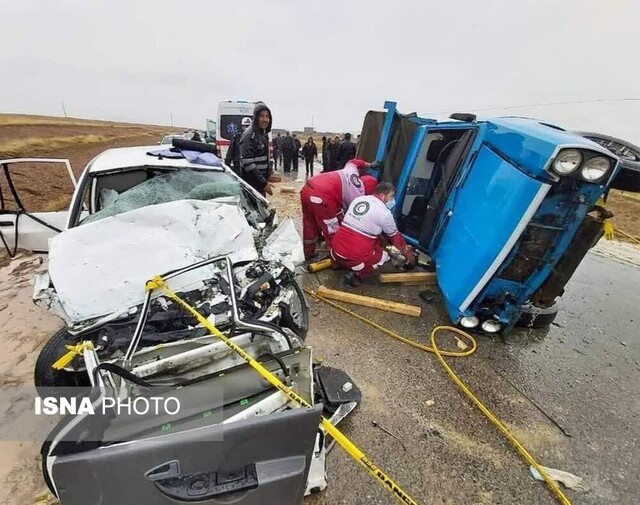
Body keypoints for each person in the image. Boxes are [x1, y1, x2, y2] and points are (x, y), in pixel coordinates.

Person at [331, 182, 416, 286]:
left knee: (372, 241)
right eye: (391, 196)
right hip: (353, 252)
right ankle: (358, 275)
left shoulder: (359, 199)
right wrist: (408, 254)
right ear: (382, 195)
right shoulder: (385, 213)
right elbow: (396, 238)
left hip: (336, 246)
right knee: (384, 256)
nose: (392, 201)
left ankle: (337, 263)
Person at [300, 157, 381, 259]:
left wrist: (370, 165)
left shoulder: (352, 171)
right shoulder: (358, 197)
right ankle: (337, 259)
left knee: (309, 222)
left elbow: (353, 162)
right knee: (332, 230)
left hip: (307, 188)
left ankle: (308, 253)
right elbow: (350, 219)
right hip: (321, 196)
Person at [239, 102, 274, 196]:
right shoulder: (250, 135)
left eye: (267, 116)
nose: (265, 119)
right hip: (251, 185)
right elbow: (248, 163)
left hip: (258, 184)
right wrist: (263, 183)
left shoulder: (262, 134)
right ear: (255, 118)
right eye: (261, 116)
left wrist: (265, 179)